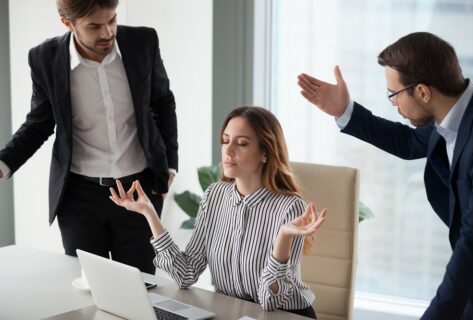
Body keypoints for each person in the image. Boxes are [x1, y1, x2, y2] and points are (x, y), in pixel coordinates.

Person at [297, 32, 473, 319]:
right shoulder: (458, 110)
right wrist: (345, 111)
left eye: (393, 94)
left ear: (422, 92)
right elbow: (409, 142)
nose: (393, 104)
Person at [0, 0, 178, 274]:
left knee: (141, 290)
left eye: (112, 20)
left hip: (138, 192)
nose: (107, 33)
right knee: (88, 290)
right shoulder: (44, 58)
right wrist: (4, 163)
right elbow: (39, 123)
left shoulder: (143, 42)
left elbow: (162, 102)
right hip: (79, 198)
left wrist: (169, 165)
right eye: (94, 26)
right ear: (68, 23)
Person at [110, 106, 327, 318]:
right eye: (225, 141)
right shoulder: (214, 195)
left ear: (265, 153)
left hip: (285, 315)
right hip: (232, 312)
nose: (228, 150)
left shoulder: (290, 208)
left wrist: (283, 238)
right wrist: (150, 213)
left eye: (241, 143)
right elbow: (185, 274)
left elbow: (270, 302)